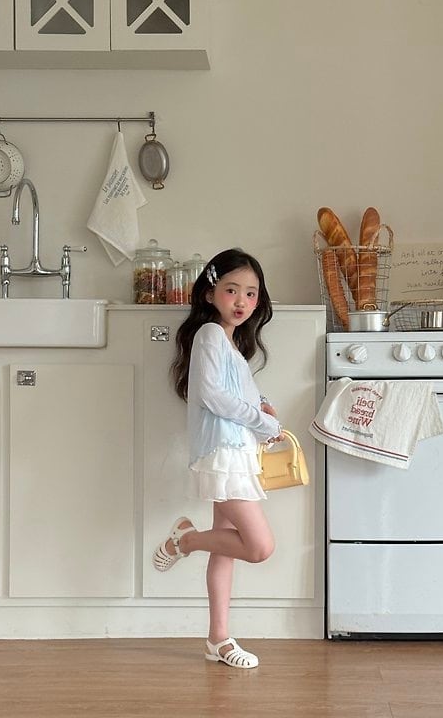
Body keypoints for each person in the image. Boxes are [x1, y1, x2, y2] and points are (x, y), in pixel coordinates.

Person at [152, 248, 283, 670]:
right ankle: (184, 540)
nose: (242, 301)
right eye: (232, 290)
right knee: (259, 547)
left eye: (251, 293)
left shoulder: (231, 345)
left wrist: (262, 410)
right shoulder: (209, 334)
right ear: (210, 294)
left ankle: (218, 639)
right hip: (222, 455)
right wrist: (263, 422)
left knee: (226, 550)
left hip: (236, 454)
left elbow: (235, 396)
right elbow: (211, 396)